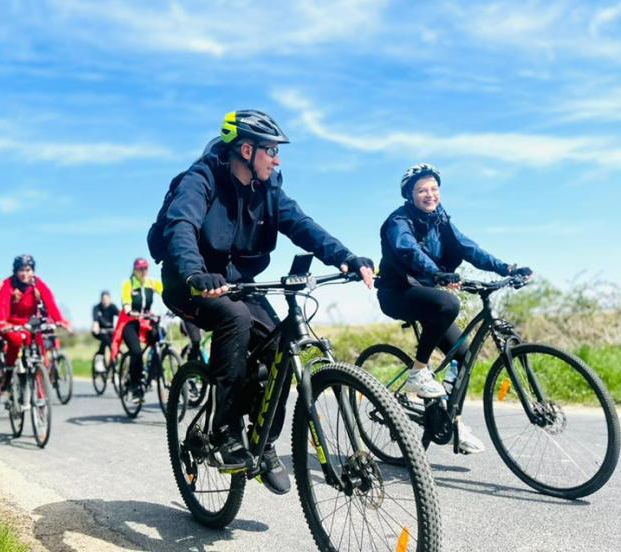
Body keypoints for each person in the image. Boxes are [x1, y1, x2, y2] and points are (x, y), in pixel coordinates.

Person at [150, 109, 375, 494]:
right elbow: (181, 226)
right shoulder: (201, 179)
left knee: (278, 348)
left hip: (240, 283)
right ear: (246, 149)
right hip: (189, 283)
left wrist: (346, 256)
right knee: (234, 319)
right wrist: (193, 271)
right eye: (271, 150)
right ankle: (222, 429)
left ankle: (263, 440)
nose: (277, 158)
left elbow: (302, 225)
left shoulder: (268, 189)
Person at [376, 163, 533, 454]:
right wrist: (437, 273)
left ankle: (453, 423)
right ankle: (418, 372)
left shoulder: (440, 219)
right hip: (396, 292)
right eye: (422, 190)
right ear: (410, 195)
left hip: (426, 290)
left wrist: (507, 268)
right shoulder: (398, 221)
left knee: (463, 355)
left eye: (434, 188)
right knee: (449, 302)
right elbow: (407, 249)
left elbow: (468, 248)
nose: (430, 194)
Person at [0, 255, 70, 389]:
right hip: (12, 324)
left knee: (40, 353)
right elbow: (2, 304)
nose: (25, 274)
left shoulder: (37, 283)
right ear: (15, 271)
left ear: (33, 271)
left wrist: (59, 320)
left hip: (30, 323)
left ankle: (40, 390)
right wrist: (3, 322)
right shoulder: (8, 283)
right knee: (16, 341)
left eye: (28, 270)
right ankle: (8, 372)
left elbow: (49, 301)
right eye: (21, 270)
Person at [119, 258, 162, 400]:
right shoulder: (128, 284)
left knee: (159, 343)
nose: (143, 271)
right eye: (140, 269)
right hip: (130, 323)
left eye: (145, 268)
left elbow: (167, 293)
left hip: (146, 321)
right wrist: (129, 309)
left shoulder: (152, 283)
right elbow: (126, 300)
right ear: (134, 270)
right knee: (136, 352)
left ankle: (150, 378)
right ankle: (135, 385)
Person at [92, 290, 119, 361]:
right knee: (107, 341)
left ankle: (114, 362)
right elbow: (95, 320)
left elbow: (119, 315)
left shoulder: (112, 307)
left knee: (113, 344)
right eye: (104, 299)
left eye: (107, 299)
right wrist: (95, 326)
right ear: (101, 300)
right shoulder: (96, 308)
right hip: (100, 331)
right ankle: (99, 361)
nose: (105, 301)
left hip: (110, 330)